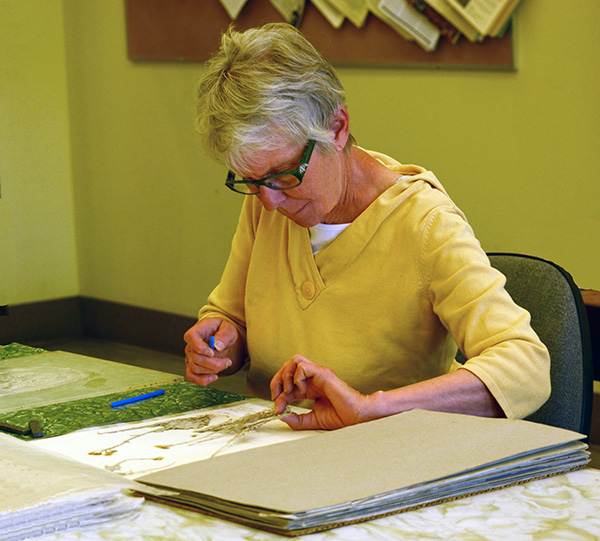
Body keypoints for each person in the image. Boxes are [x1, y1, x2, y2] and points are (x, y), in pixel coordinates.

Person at [184, 22, 550, 431]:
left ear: (337, 128)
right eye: (250, 181)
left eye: (284, 173)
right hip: (274, 447)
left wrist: (372, 407)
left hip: (390, 455)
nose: (269, 199)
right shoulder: (269, 202)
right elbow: (232, 318)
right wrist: (220, 343)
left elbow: (525, 365)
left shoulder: (424, 223)